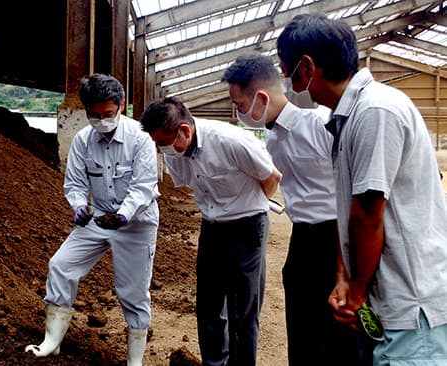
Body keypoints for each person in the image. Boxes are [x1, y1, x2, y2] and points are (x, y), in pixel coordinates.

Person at [277, 13, 447, 365]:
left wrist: (354, 294)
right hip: (388, 302)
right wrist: (343, 276)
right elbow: (347, 211)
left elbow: (368, 215)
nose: (288, 85)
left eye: (287, 72)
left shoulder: (375, 112)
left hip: (411, 307)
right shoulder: (346, 118)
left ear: (306, 68)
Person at [220, 53, 369, 365]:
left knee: (343, 334)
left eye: (239, 104)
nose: (239, 112)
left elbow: (363, 174)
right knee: (302, 332)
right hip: (302, 241)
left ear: (261, 97)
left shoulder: (320, 125)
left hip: (337, 237)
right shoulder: (273, 138)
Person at [24, 73, 160, 366]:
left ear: (121, 106)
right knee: (60, 266)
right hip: (97, 217)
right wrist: (78, 206)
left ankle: (134, 360)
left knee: (132, 291)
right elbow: (74, 184)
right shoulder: (83, 141)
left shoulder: (141, 138)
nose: (101, 120)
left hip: (136, 223)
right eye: (93, 115)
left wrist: (124, 215)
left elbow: (143, 187)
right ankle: (52, 341)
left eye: (107, 114)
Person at [139, 96, 281, 366]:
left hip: (248, 227)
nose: (161, 149)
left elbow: (272, 178)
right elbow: (185, 180)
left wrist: (251, 205)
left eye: (164, 143)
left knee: (243, 310)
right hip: (212, 228)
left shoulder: (231, 141)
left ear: (185, 130)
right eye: (157, 143)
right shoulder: (177, 152)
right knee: (209, 306)